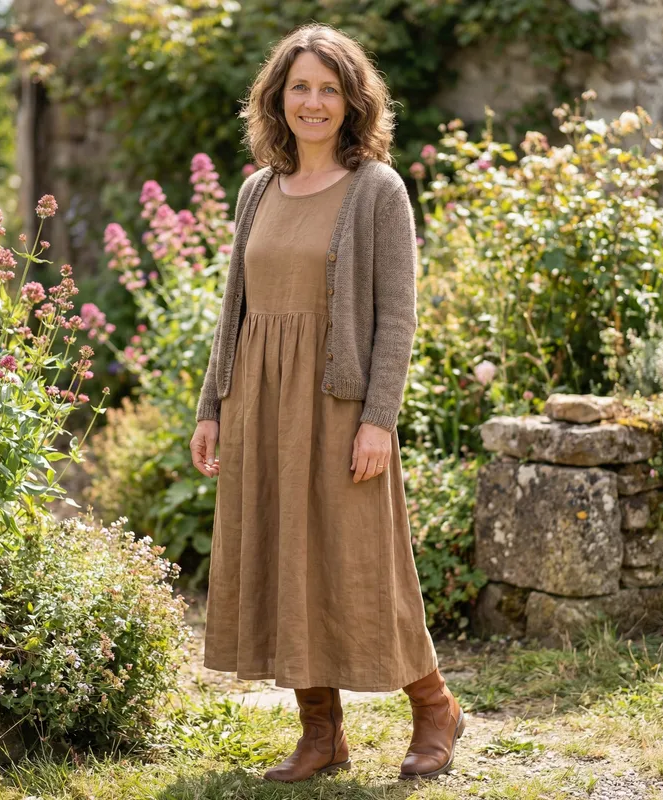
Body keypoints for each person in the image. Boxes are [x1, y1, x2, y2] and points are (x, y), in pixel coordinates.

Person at [189, 21, 465, 783]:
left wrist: (379, 418)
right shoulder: (256, 191)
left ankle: (435, 706)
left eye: (329, 89)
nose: (313, 102)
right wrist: (213, 405)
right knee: (285, 561)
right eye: (300, 87)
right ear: (277, 98)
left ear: (352, 102)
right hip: (260, 403)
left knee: (365, 563)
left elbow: (399, 316)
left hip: (340, 403)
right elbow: (235, 310)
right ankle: (322, 733)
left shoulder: (377, 189)